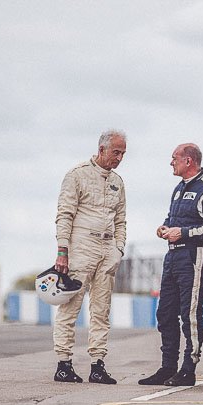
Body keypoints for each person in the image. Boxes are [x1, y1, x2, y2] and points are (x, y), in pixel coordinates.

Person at [139, 143, 203, 386]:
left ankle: (189, 368)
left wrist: (183, 233)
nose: (171, 163)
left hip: (194, 256)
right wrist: (165, 228)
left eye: (174, 158)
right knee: (165, 313)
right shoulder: (178, 188)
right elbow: (174, 220)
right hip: (173, 257)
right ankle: (168, 367)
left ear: (189, 161)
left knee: (190, 314)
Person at [52, 130, 127, 384]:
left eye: (123, 153)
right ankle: (64, 363)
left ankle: (98, 365)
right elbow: (64, 214)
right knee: (70, 305)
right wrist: (63, 250)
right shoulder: (77, 174)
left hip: (108, 249)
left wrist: (119, 249)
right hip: (81, 246)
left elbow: (121, 220)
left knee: (101, 310)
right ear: (102, 149)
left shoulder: (118, 181)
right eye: (116, 152)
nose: (119, 157)